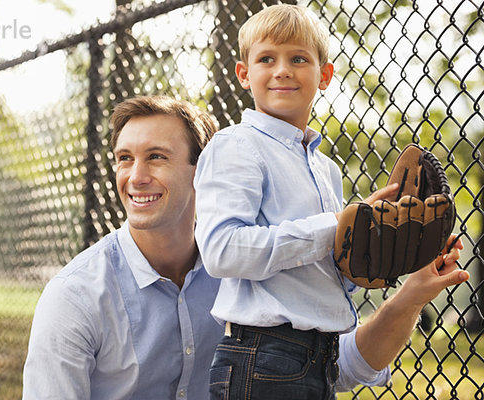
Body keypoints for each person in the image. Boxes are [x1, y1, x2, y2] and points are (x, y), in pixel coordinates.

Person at [22, 95, 468, 399]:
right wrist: (334, 226)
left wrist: (413, 295)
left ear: (204, 171)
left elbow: (341, 365)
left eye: (156, 156)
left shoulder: (253, 266)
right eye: (125, 158)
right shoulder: (76, 296)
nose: (134, 176)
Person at [192, 4, 461, 399]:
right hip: (261, 357)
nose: (282, 69)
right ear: (244, 74)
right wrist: (335, 226)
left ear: (325, 75)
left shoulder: (326, 169)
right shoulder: (237, 145)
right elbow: (221, 251)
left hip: (319, 358)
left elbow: (312, 273)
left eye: (298, 58)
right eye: (267, 58)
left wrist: (367, 244)